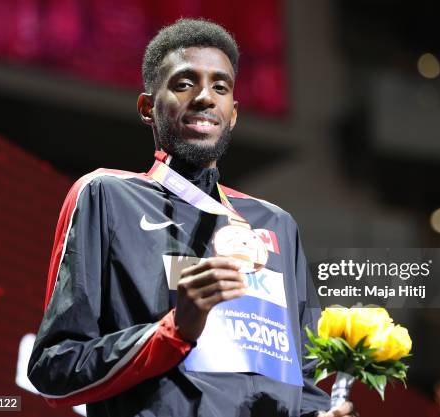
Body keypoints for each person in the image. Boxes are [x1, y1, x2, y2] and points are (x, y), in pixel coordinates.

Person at [27, 18, 356, 417]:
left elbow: (303, 384)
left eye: (220, 87)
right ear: (148, 107)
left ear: (232, 113)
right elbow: (55, 369)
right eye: (185, 84)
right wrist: (175, 330)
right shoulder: (107, 196)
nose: (205, 97)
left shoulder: (276, 225)